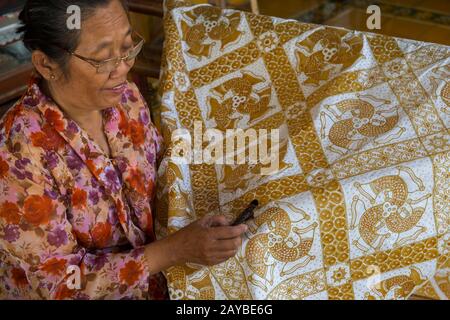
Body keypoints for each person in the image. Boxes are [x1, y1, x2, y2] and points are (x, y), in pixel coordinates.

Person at [0, 0, 247, 300]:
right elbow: (59, 284)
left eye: (128, 47)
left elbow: (161, 166)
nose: (123, 67)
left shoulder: (125, 97)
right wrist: (176, 250)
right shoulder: (18, 153)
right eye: (103, 59)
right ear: (47, 65)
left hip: (167, 277)